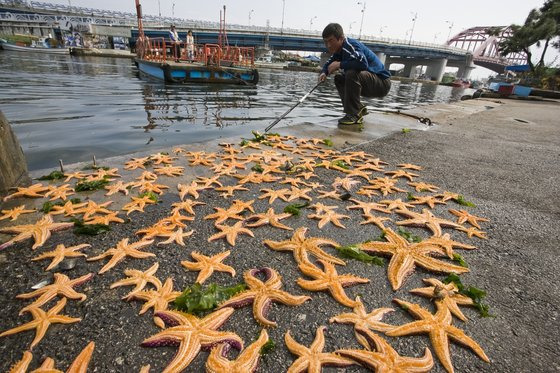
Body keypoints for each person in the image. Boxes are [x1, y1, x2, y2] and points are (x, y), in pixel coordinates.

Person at [319, 23, 391, 125]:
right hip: (370, 83)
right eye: (325, 42)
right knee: (339, 78)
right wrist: (324, 73)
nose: (328, 45)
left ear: (341, 38)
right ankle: (357, 109)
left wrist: (339, 64)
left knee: (351, 72)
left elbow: (362, 63)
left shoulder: (350, 45)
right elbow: (328, 63)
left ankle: (354, 114)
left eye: (331, 40)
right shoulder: (338, 52)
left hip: (382, 83)